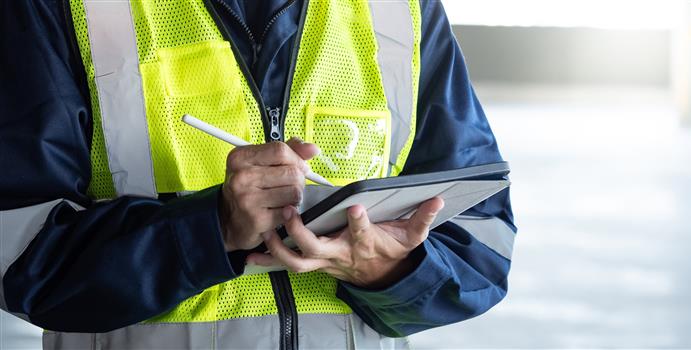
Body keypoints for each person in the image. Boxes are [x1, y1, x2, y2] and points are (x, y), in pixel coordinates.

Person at [0, 0, 516, 348]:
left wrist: (390, 270)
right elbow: (18, 263)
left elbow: (484, 246)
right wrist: (213, 229)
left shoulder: (400, 8)